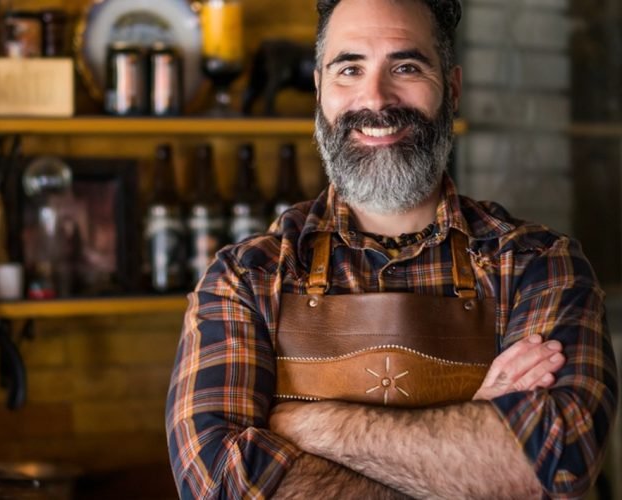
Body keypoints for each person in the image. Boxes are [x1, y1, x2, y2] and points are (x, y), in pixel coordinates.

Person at [166, 0, 619, 498]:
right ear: (319, 89)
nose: (376, 99)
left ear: (453, 88)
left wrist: (309, 427)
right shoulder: (247, 277)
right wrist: (466, 454)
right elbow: (219, 484)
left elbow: (554, 467)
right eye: (350, 68)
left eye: (405, 67)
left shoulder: (539, 263)